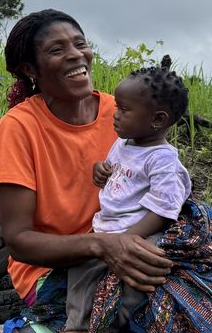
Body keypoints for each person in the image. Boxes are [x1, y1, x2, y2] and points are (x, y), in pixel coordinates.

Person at [0, 9, 173, 332]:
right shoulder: (17, 129)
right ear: (30, 69)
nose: (75, 55)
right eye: (57, 50)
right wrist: (102, 245)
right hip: (52, 269)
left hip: (130, 243)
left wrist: (126, 242)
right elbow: (19, 240)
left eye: (79, 44)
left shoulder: (124, 115)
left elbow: (163, 179)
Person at [65, 67, 191, 332]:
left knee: (140, 273)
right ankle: (77, 323)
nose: (116, 114)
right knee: (81, 269)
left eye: (124, 109)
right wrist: (100, 171)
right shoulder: (125, 143)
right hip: (109, 227)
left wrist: (128, 238)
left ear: (157, 119)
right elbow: (114, 172)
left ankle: (121, 319)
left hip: (143, 230)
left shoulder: (162, 159)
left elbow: (164, 209)